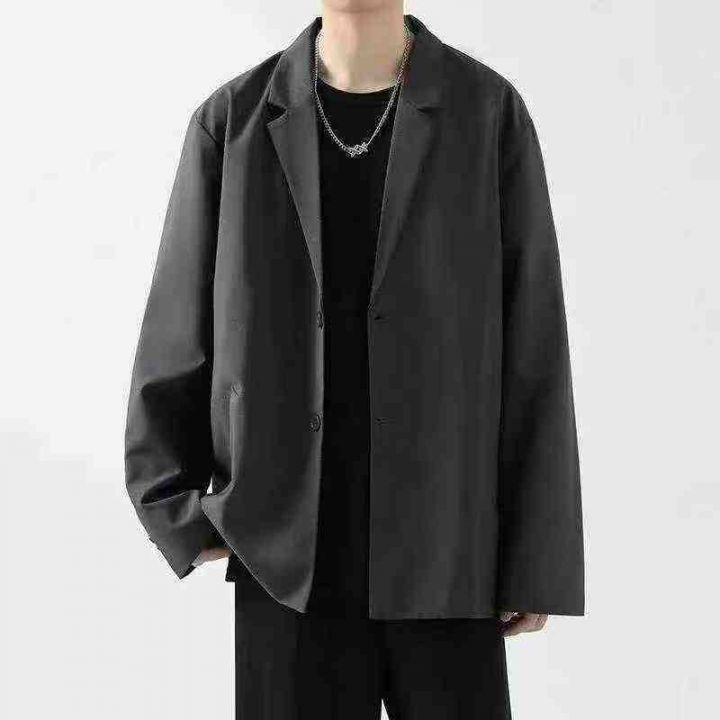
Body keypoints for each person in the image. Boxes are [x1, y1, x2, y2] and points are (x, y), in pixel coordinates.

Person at [124, 3, 584, 718]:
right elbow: (178, 326)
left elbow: (533, 346)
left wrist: (535, 556)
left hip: (448, 553)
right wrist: (177, 508)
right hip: (286, 561)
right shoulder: (233, 122)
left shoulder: (487, 114)